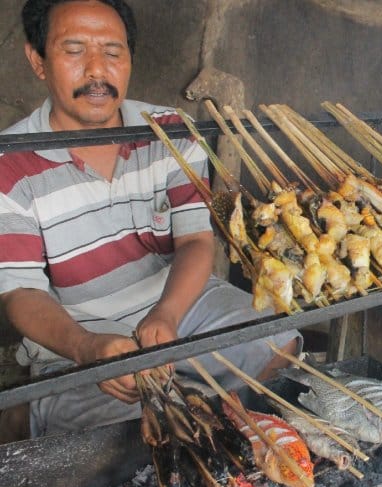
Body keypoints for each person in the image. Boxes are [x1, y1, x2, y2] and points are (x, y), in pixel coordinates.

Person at [0, 0, 300, 440]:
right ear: (38, 60)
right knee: (134, 429)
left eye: (113, 52)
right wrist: (86, 347)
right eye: (75, 50)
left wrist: (168, 313)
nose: (97, 70)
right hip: (79, 334)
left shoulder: (169, 130)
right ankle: (25, 414)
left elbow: (197, 240)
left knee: (279, 342)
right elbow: (20, 292)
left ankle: (231, 431)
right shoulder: (10, 161)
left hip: (180, 304)